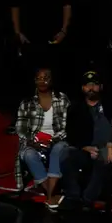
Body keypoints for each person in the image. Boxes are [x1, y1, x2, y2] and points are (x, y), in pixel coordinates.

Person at [16, 68, 71, 208]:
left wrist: (52, 140)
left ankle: (50, 195)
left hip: (57, 140)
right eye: (39, 78)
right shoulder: (26, 102)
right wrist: (33, 142)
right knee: (28, 154)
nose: (42, 81)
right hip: (33, 142)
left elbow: (67, 127)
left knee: (57, 150)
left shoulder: (62, 99)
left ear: (52, 80)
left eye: (46, 78)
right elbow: (21, 128)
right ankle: (51, 195)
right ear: (34, 81)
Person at [62, 71, 112, 208]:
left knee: (103, 159)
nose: (91, 88)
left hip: (105, 148)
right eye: (87, 85)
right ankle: (72, 195)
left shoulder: (110, 106)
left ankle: (87, 199)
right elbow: (70, 134)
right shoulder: (75, 108)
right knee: (66, 154)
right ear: (82, 88)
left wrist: (110, 146)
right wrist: (85, 147)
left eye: (95, 84)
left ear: (101, 87)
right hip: (84, 149)